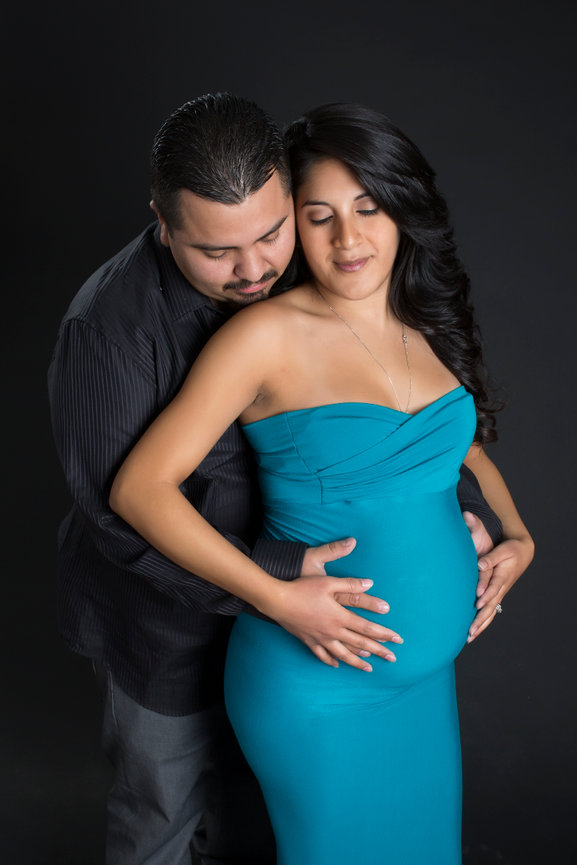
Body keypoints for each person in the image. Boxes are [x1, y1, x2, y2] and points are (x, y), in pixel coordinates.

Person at [49, 94, 513, 865]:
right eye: (218, 252)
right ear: (165, 225)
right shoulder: (111, 330)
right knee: (162, 817)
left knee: (248, 832)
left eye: (271, 233)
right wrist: (277, 583)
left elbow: (400, 426)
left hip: (337, 644)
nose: (257, 266)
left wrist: (488, 525)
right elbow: (119, 509)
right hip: (168, 627)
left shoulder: (333, 267)